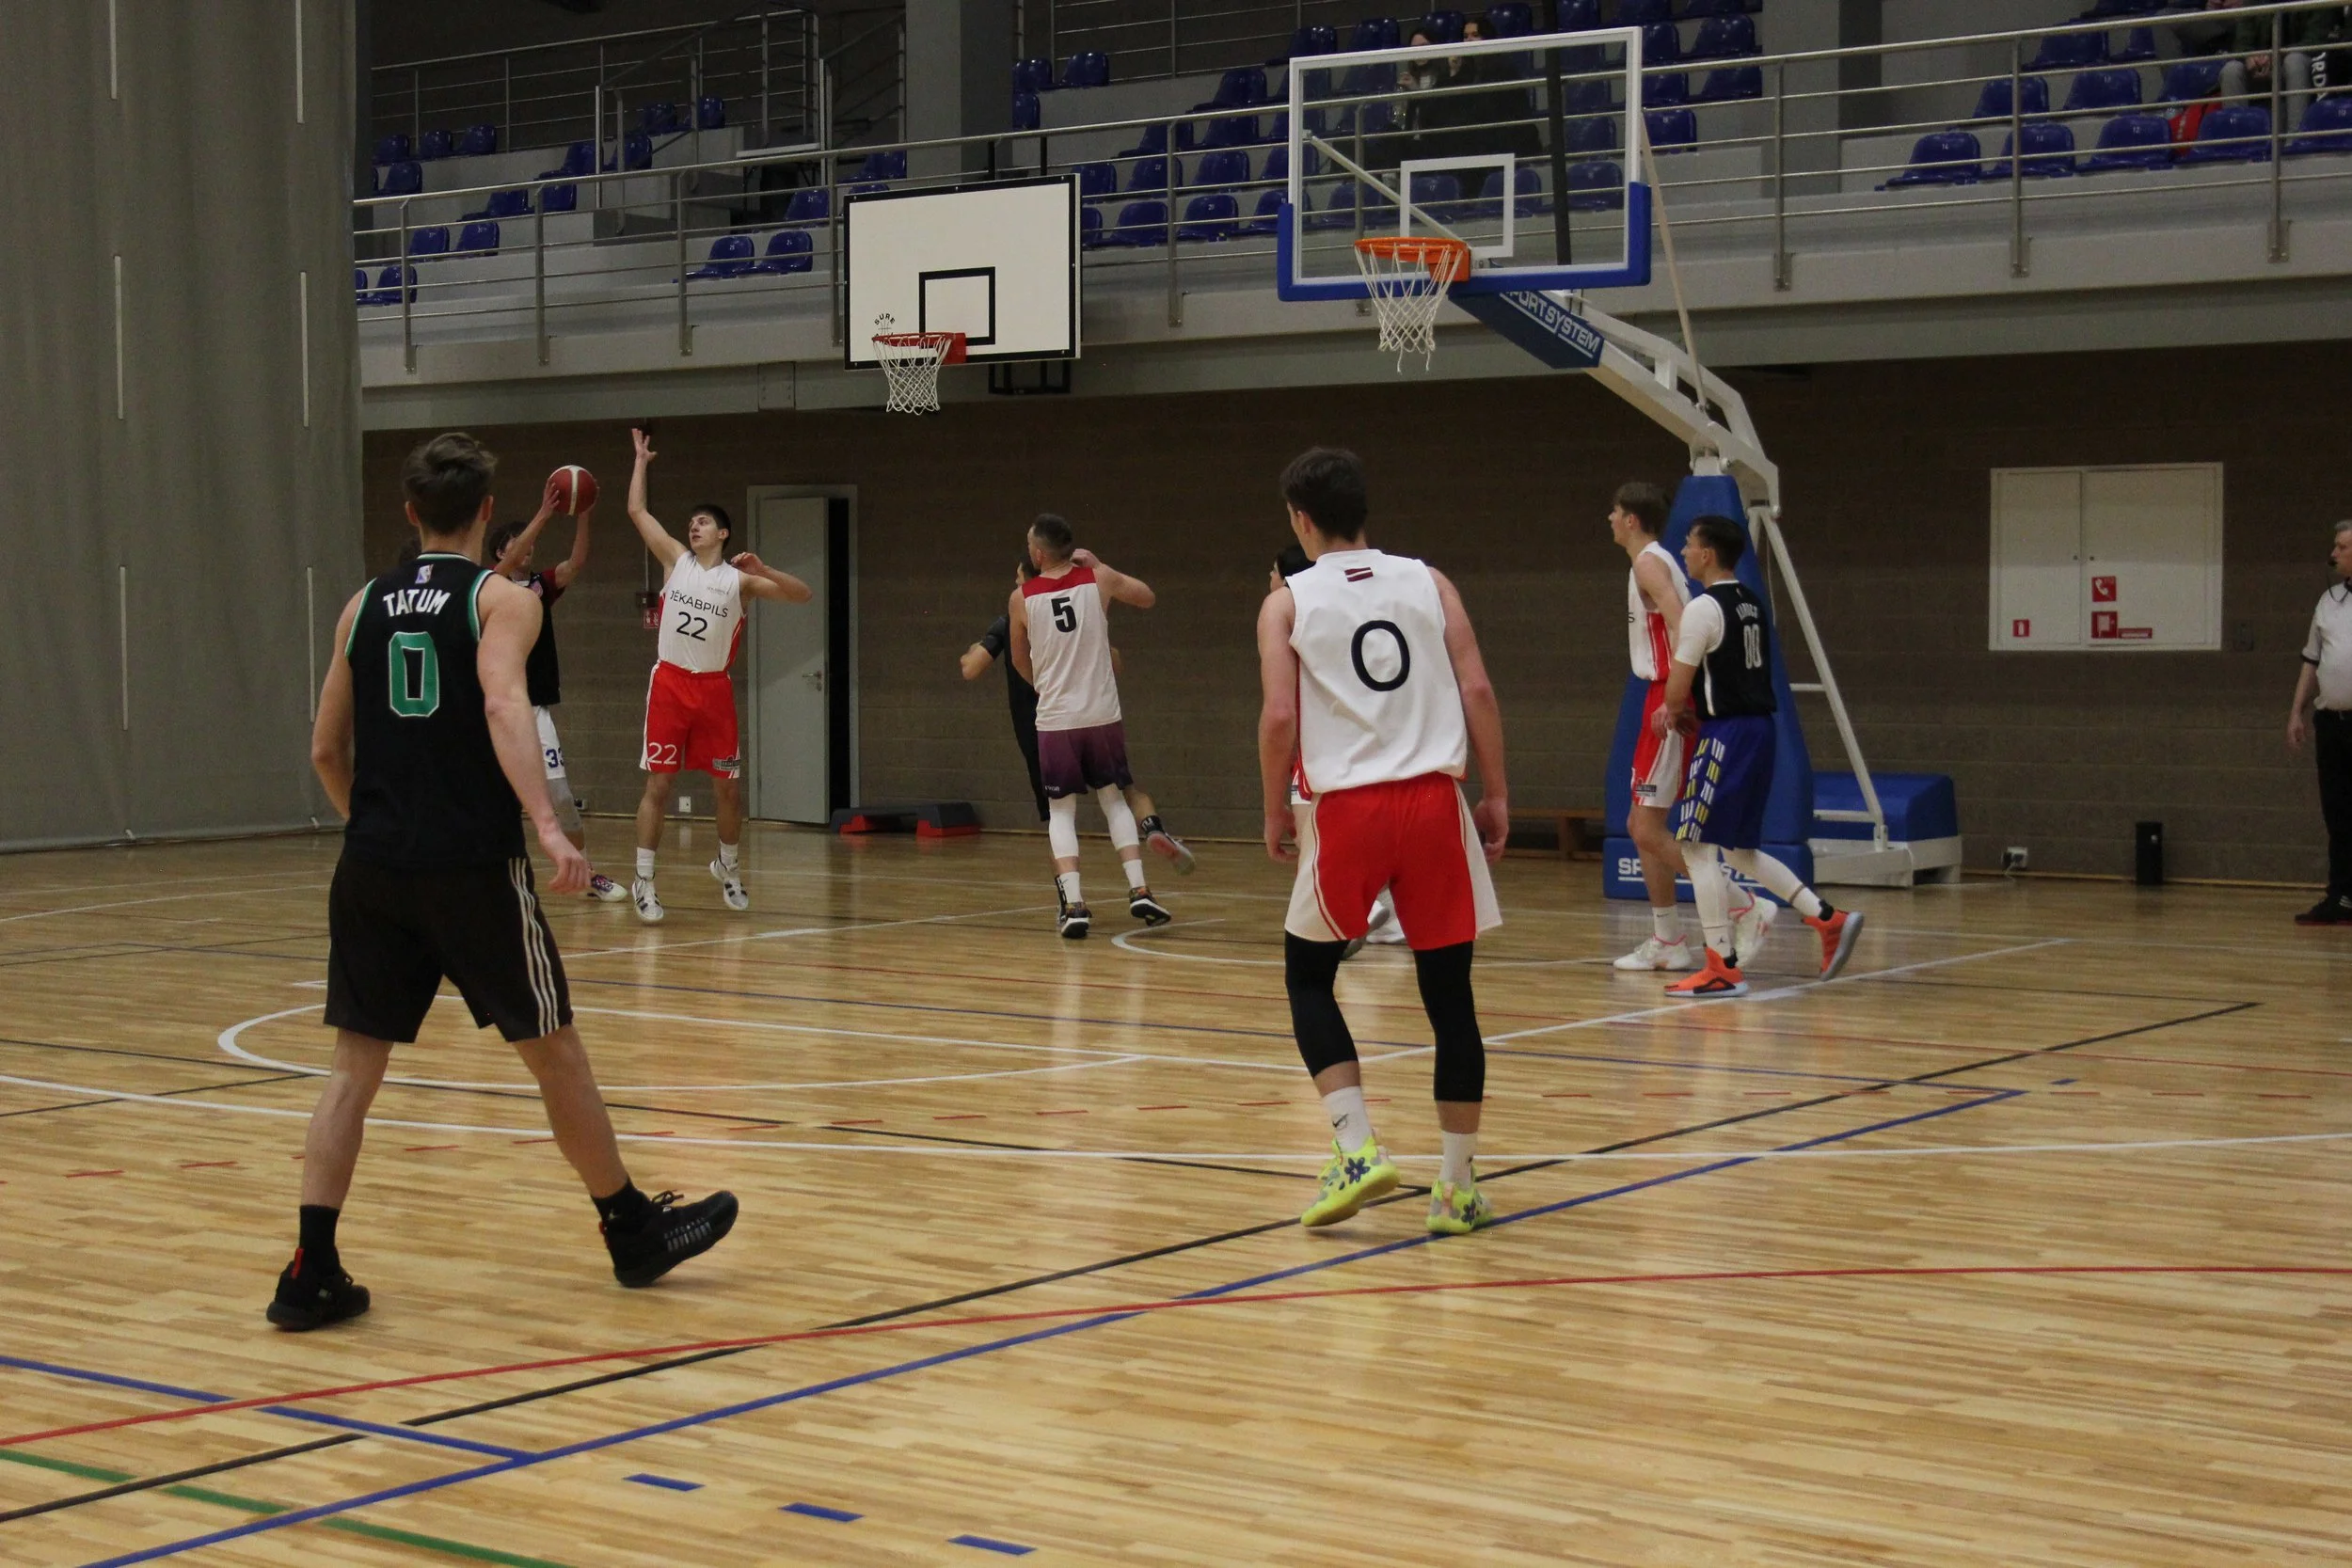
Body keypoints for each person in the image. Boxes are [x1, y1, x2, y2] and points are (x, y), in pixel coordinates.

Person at [275, 433, 737, 1331]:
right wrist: (549, 824)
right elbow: (501, 701)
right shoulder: (501, 599)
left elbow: (326, 749)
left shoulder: (360, 606)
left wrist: (374, 825)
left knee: (352, 1071)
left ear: (410, 512)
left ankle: (309, 1269)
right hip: (470, 868)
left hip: (371, 866)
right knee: (555, 1048)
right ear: (487, 511)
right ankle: (629, 1229)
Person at [1258, 448, 1507, 1237]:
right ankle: (1456, 1189)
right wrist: (1496, 792)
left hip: (1349, 809)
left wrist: (1273, 808)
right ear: (1363, 509)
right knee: (1450, 998)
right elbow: (1476, 687)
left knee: (1308, 976)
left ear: (1301, 520)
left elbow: (1279, 717)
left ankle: (1358, 1146)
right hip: (1435, 800)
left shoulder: (1286, 602)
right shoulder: (1430, 581)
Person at [1658, 515, 1863, 998]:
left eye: (1688, 544)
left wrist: (1673, 711)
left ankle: (1722, 966)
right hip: (1760, 731)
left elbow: (1676, 689)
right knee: (1738, 850)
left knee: (1695, 846)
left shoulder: (1703, 608)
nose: (1683, 552)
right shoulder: (1752, 602)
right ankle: (1826, 918)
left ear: (1707, 553)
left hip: (1727, 732)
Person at [623, 427, 813, 924]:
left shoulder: (740, 580)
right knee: (659, 786)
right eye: (691, 522)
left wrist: (766, 568)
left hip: (713, 690)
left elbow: (802, 595)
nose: (694, 527)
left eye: (703, 522)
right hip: (670, 684)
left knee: (727, 788)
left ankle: (727, 866)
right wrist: (640, 461)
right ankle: (644, 879)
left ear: (723, 533)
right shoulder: (674, 560)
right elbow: (637, 511)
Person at [961, 560, 1195, 873]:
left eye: (1017, 579)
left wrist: (973, 650)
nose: (1014, 585)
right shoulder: (1078, 613)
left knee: (1058, 816)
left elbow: (971, 669)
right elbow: (1116, 664)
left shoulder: (1011, 620)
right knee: (1122, 792)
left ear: (1029, 581)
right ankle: (1152, 829)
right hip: (1091, 716)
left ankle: (1068, 893)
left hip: (1044, 728)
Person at [1008, 517, 1172, 938]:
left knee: (1062, 811)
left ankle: (1075, 904)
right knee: (1114, 800)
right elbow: (1147, 597)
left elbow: (1019, 659)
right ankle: (1139, 888)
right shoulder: (1098, 578)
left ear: (1038, 554)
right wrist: (1101, 565)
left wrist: (1043, 686)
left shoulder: (1022, 598)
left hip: (1057, 718)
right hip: (1101, 713)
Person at [485, 481, 627, 902]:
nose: (527, 547)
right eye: (517, 542)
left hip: (534, 707)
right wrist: (544, 514)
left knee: (561, 797)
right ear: (500, 551)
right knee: (492, 801)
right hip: (493, 707)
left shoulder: (539, 587)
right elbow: (508, 561)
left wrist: (583, 513)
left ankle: (587, 874)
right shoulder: (488, 586)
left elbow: (576, 562)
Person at [1270, 542, 1399, 958]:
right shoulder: (1351, 610)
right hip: (1377, 749)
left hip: (1324, 753)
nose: (1269, 579)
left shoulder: (1289, 615)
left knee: (1314, 846)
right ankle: (1384, 917)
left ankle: (1361, 911)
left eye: (1273, 572)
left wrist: (1273, 804)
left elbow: (1281, 712)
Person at [2287, 520, 2352, 924]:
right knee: (2338, 813)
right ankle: (2341, 896)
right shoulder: (2328, 601)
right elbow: (2311, 661)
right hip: (2333, 724)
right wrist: (2296, 711)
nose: (2334, 554)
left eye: (2342, 547)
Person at [2210, 0, 2342, 127]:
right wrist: (2249, 57)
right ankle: (2238, 134)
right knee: (2231, 70)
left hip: (2302, 67)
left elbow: (2315, 40)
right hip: (2261, 68)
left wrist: (2276, 55)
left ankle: (2296, 136)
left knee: (2294, 61)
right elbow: (2242, 43)